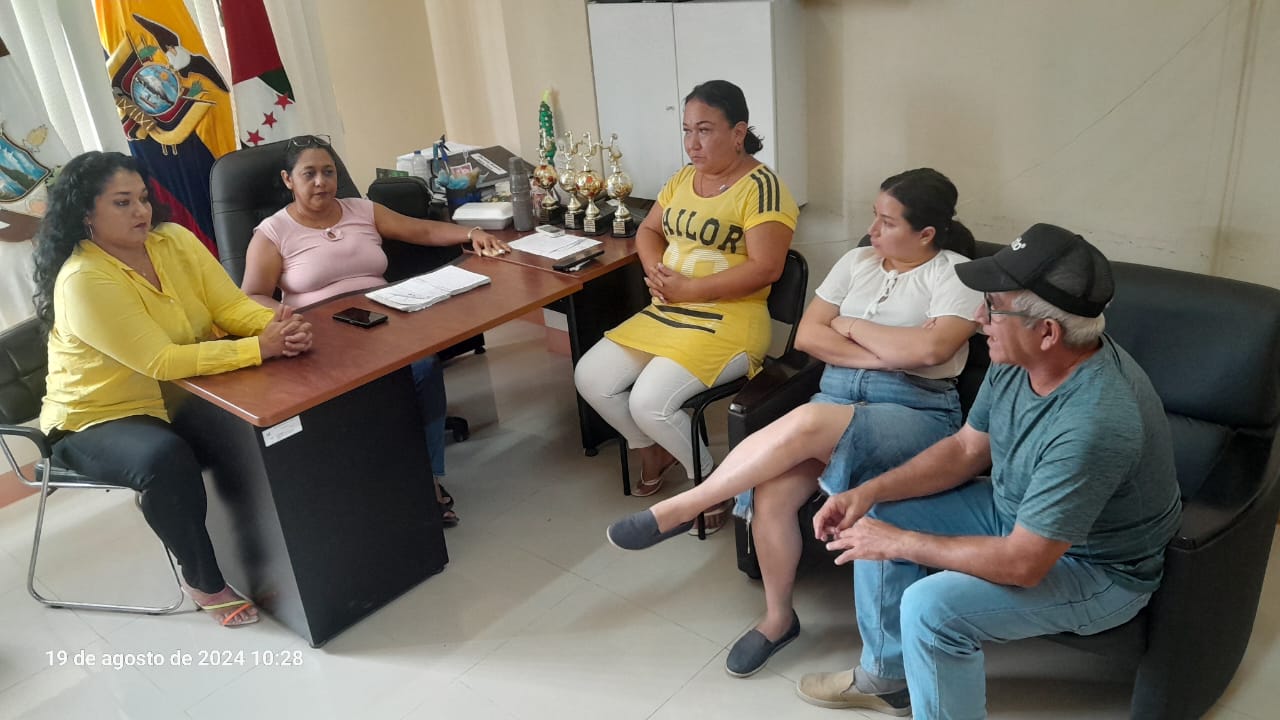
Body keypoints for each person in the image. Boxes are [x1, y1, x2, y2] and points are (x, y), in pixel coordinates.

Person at [795, 224, 1183, 718]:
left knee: (931, 609)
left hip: (1096, 567)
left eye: (994, 306)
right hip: (1013, 512)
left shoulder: (1095, 422)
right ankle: (888, 678)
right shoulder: (1018, 354)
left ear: (1048, 332)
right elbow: (965, 450)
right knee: (877, 512)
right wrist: (868, 492)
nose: (980, 319)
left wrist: (901, 543)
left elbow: (1024, 563)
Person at [606, 168, 982, 677]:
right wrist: (887, 353)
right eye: (874, 215)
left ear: (926, 233)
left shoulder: (956, 274)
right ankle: (778, 619)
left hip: (916, 411)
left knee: (808, 420)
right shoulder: (857, 262)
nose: (872, 229)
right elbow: (807, 337)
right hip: (836, 398)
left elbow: (933, 350)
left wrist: (848, 327)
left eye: (887, 222)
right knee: (773, 492)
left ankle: (691, 504)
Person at [33, 151, 314, 627]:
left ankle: (286, 552)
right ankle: (203, 579)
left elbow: (229, 308)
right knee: (164, 458)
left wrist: (277, 327)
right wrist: (258, 349)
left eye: (143, 198)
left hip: (180, 394)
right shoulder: (83, 279)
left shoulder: (174, 240)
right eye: (122, 202)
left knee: (268, 417)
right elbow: (160, 360)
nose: (141, 211)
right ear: (86, 213)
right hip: (95, 417)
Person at [240, 134, 509, 527]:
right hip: (323, 335)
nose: (321, 182)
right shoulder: (273, 232)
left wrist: (470, 234)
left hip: (385, 319)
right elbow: (251, 296)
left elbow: (421, 231)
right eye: (309, 174)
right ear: (288, 179)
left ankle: (428, 477)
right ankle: (377, 482)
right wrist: (290, 317)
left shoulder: (361, 210)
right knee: (373, 391)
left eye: (328, 172)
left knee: (424, 367)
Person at [574, 79, 799, 530]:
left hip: (729, 319)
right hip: (670, 311)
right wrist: (656, 271)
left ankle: (710, 483)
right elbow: (648, 230)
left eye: (705, 130)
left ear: (738, 132)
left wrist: (689, 291)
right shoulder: (682, 178)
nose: (692, 143)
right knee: (591, 377)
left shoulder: (763, 188)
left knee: (649, 402)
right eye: (687, 130)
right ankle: (652, 450)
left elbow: (767, 268)